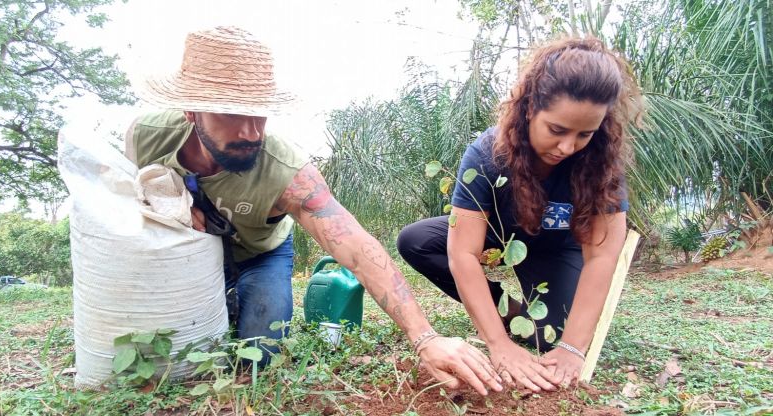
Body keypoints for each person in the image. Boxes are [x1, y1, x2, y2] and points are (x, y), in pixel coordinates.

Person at [124, 26, 503, 396]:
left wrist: (425, 337)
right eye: (230, 113)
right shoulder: (147, 135)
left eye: (259, 114)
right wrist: (168, 207)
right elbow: (118, 198)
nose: (251, 132)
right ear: (191, 110)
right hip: (185, 254)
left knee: (261, 353)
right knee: (166, 352)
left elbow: (355, 246)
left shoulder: (285, 171)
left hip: (261, 254)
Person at [398, 36, 641, 392]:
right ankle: (509, 311)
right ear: (529, 108)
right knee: (416, 241)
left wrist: (573, 348)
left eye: (584, 134)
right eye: (557, 130)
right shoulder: (487, 154)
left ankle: (543, 318)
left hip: (559, 246)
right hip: (500, 237)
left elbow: (602, 256)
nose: (567, 147)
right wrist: (499, 344)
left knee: (551, 337)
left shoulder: (601, 165)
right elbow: (463, 253)